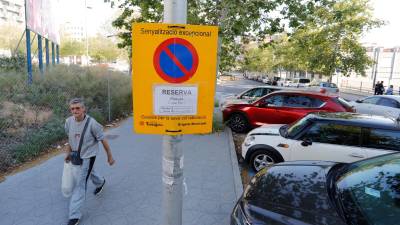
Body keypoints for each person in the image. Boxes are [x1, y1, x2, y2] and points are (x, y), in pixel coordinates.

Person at [64, 98, 115, 225]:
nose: (75, 110)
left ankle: (74, 215)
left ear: (83, 109)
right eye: (72, 108)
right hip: (76, 155)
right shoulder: (68, 122)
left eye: (78, 108)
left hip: (88, 156)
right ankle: (100, 182)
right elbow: (69, 139)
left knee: (80, 184)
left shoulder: (92, 123)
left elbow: (103, 140)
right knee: (87, 172)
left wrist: (109, 156)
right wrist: (68, 153)